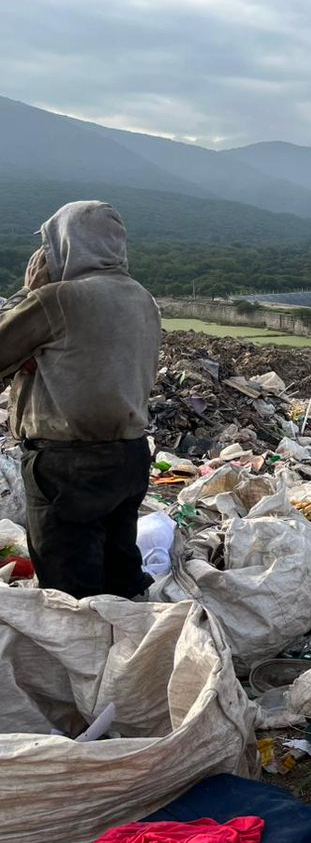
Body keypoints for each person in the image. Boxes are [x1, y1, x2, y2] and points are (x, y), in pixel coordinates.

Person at [0, 201, 161, 598]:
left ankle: (84, 657)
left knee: (69, 586)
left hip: (66, 464)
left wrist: (28, 292)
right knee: (119, 569)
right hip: (130, 456)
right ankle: (131, 650)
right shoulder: (143, 299)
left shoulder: (56, 299)